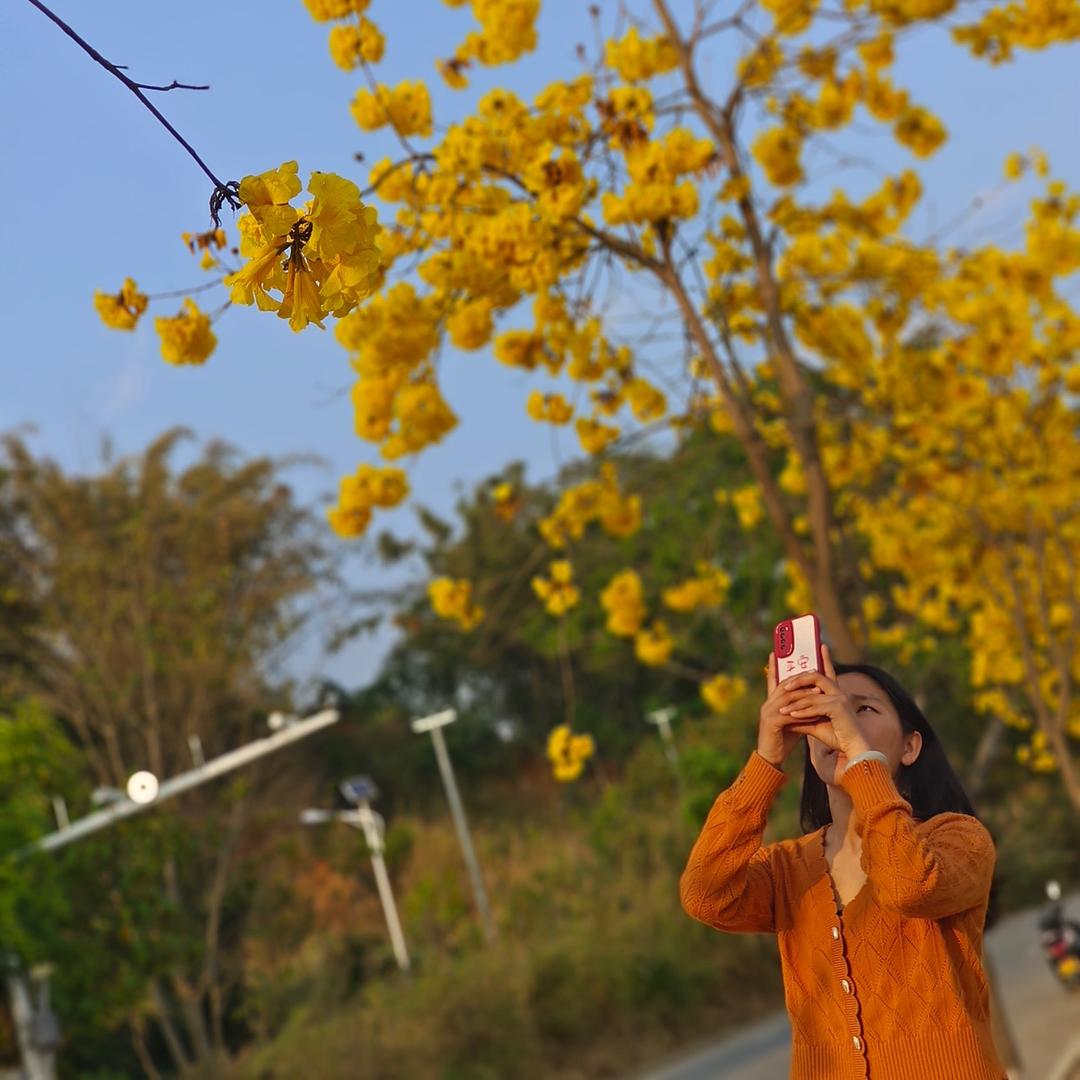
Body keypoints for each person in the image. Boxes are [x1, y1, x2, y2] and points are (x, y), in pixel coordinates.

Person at [679, 643, 1009, 1080]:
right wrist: (766, 759)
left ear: (910, 747)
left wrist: (860, 755)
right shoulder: (786, 869)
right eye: (826, 707)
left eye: (863, 710)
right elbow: (705, 895)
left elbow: (909, 885)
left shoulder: (958, 839)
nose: (838, 720)